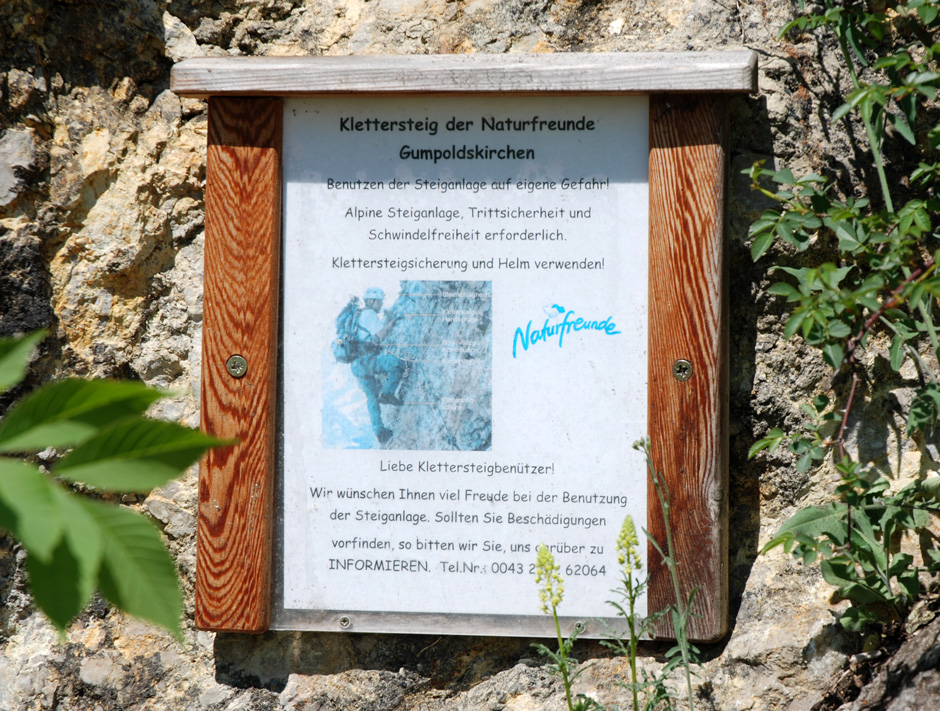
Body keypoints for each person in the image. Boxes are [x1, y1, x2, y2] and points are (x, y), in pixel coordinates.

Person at [350, 287, 406, 444]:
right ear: (370, 301)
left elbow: (371, 333)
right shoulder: (369, 314)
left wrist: (385, 322)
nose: (381, 304)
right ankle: (388, 393)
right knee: (398, 363)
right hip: (367, 361)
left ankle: (380, 432)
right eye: (379, 301)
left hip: (356, 365)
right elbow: (381, 335)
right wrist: (393, 322)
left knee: (371, 397)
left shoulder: (358, 316)